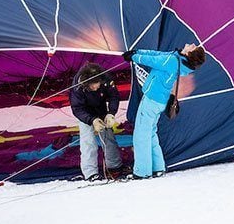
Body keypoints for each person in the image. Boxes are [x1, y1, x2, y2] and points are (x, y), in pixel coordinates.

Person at [123, 44, 206, 179]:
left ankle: (142, 172)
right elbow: (157, 54)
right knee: (150, 133)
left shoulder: (173, 61)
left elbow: (153, 61)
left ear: (189, 54)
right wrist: (137, 51)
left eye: (193, 47)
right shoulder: (177, 59)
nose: (192, 44)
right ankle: (158, 168)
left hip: (152, 100)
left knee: (141, 135)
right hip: (160, 101)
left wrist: (133, 57)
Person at [69, 62, 124, 181]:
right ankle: (90, 173)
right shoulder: (77, 87)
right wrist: (92, 120)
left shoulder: (106, 79)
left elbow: (114, 96)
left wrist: (111, 113)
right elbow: (77, 109)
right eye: (92, 86)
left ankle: (114, 168)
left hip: (101, 108)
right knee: (87, 140)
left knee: (108, 137)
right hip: (85, 112)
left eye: (97, 85)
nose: (95, 88)